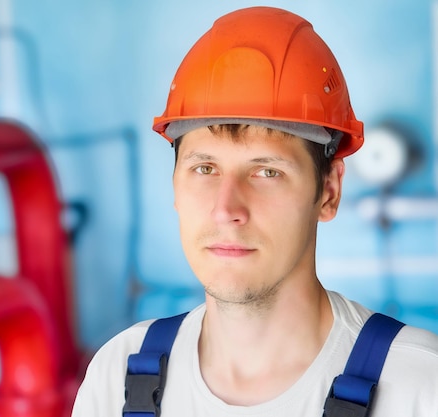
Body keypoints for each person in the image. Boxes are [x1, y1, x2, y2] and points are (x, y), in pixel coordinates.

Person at [71, 6, 438, 416]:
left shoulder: (418, 388)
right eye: (204, 168)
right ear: (174, 186)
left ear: (329, 191)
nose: (226, 209)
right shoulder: (116, 379)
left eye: (266, 171)